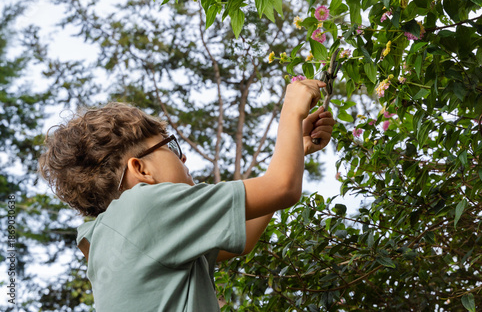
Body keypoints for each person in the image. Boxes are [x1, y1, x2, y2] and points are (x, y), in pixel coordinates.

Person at [38, 79, 335, 312]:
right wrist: (291, 110)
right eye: (171, 147)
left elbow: (242, 238)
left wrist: (297, 145)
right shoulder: (145, 207)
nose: (184, 160)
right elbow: (282, 187)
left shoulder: (118, 235)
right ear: (140, 169)